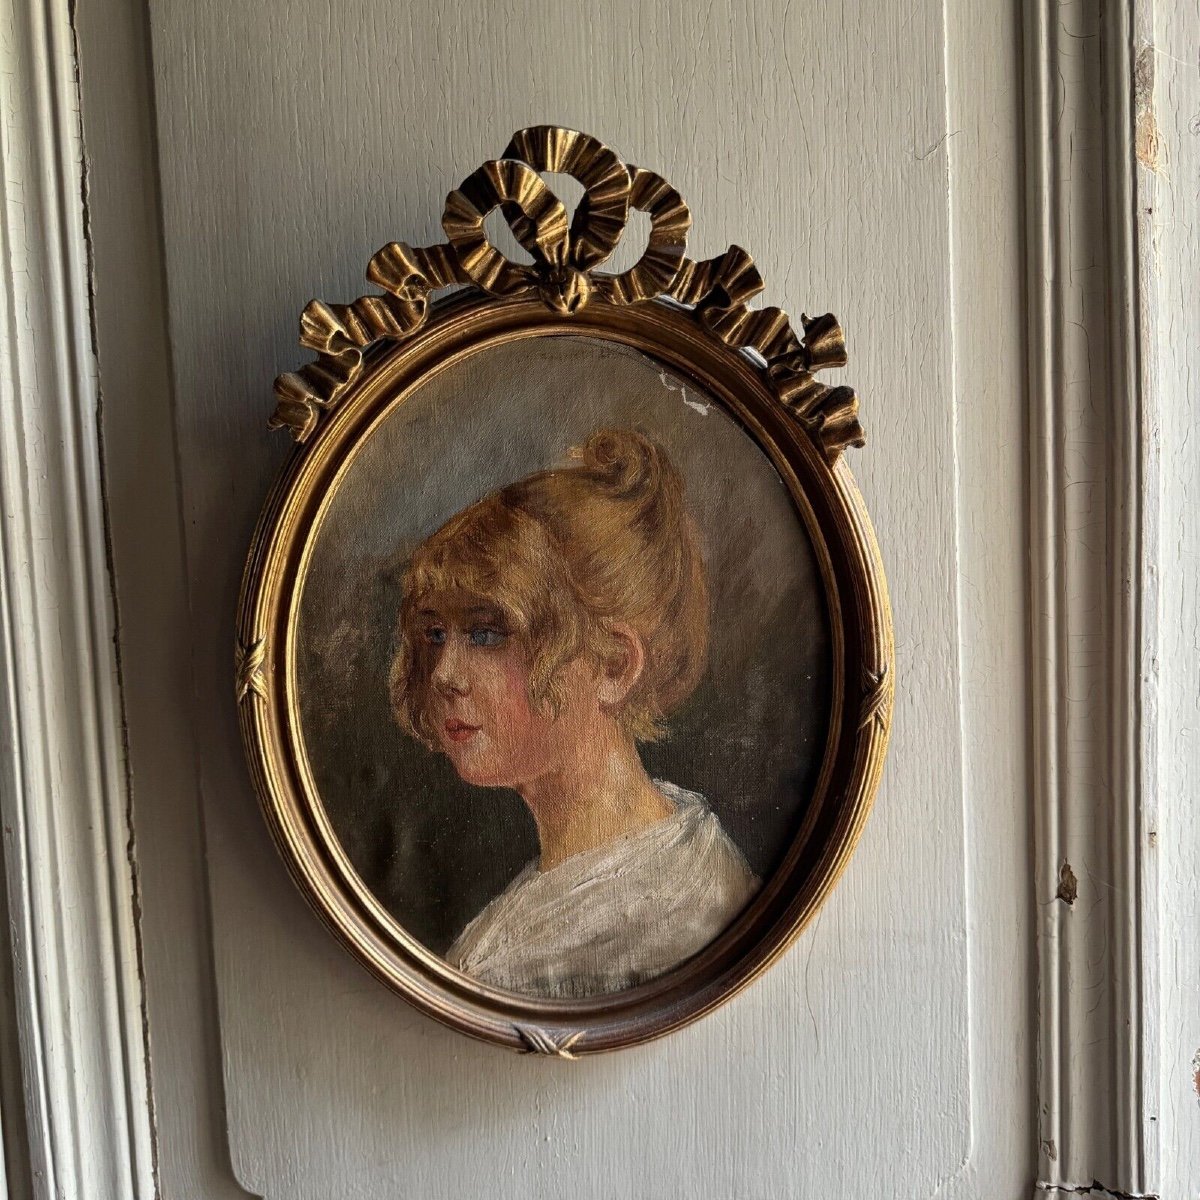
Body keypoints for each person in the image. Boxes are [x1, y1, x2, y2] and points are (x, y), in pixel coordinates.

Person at [388, 428, 759, 997]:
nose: (444, 675)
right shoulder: (547, 901)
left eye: (487, 633)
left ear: (613, 666)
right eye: (435, 634)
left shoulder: (678, 914)